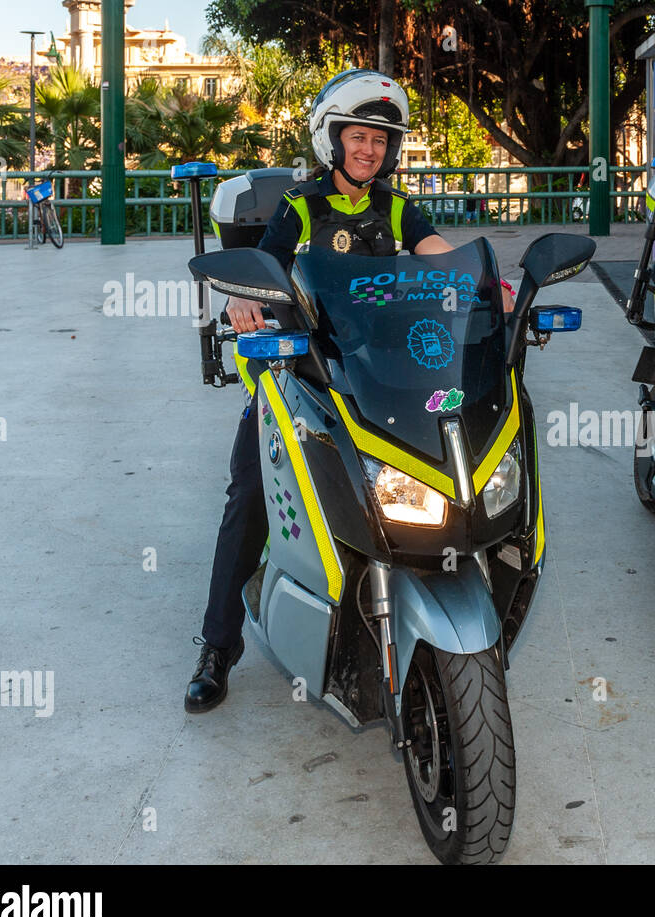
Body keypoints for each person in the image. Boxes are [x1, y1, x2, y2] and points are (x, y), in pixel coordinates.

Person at [186, 69, 514, 713]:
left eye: (380, 141)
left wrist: (479, 285)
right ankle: (217, 645)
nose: (369, 149)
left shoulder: (396, 207)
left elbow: (438, 250)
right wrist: (241, 303)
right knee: (251, 491)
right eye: (358, 136)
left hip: (384, 376)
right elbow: (267, 266)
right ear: (331, 140)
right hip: (305, 373)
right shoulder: (301, 206)